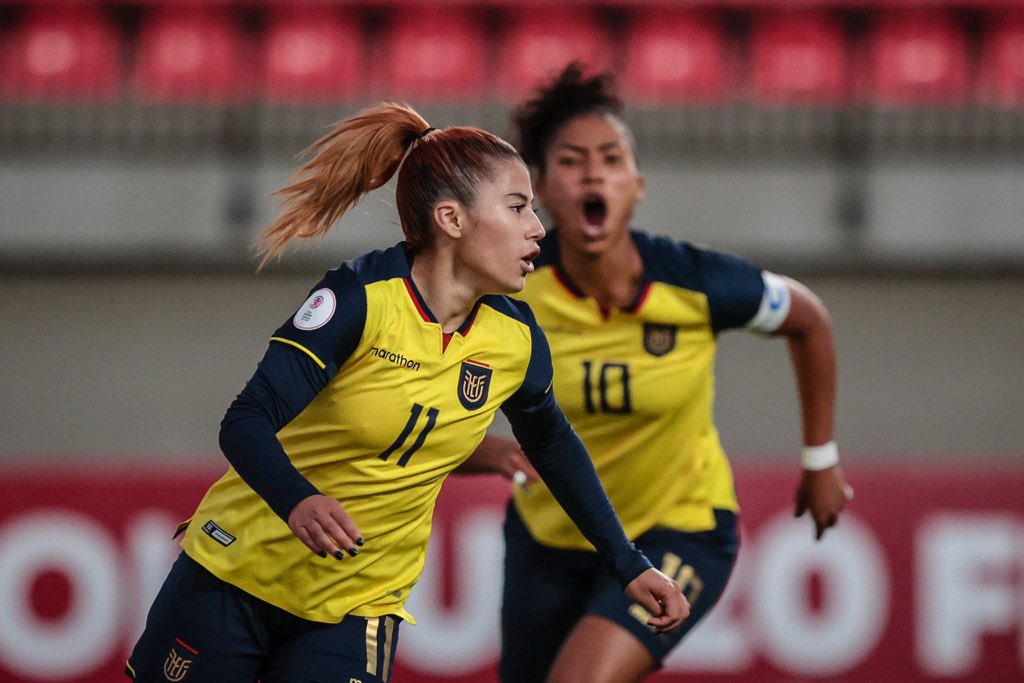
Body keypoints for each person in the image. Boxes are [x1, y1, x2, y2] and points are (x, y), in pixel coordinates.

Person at [124, 103, 688, 683]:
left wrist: (628, 563)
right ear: (452, 218)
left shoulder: (516, 339)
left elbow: (554, 446)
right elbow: (246, 420)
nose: (537, 228)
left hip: (356, 607)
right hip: (232, 577)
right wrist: (297, 500)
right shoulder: (359, 299)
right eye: (517, 207)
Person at [463, 63, 853, 683]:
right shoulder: (507, 293)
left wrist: (821, 458)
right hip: (549, 541)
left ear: (637, 184)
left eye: (611, 159)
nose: (594, 172)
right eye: (571, 161)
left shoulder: (697, 282)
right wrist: (485, 453)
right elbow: (420, 391)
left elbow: (808, 319)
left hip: (680, 528)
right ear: (537, 189)